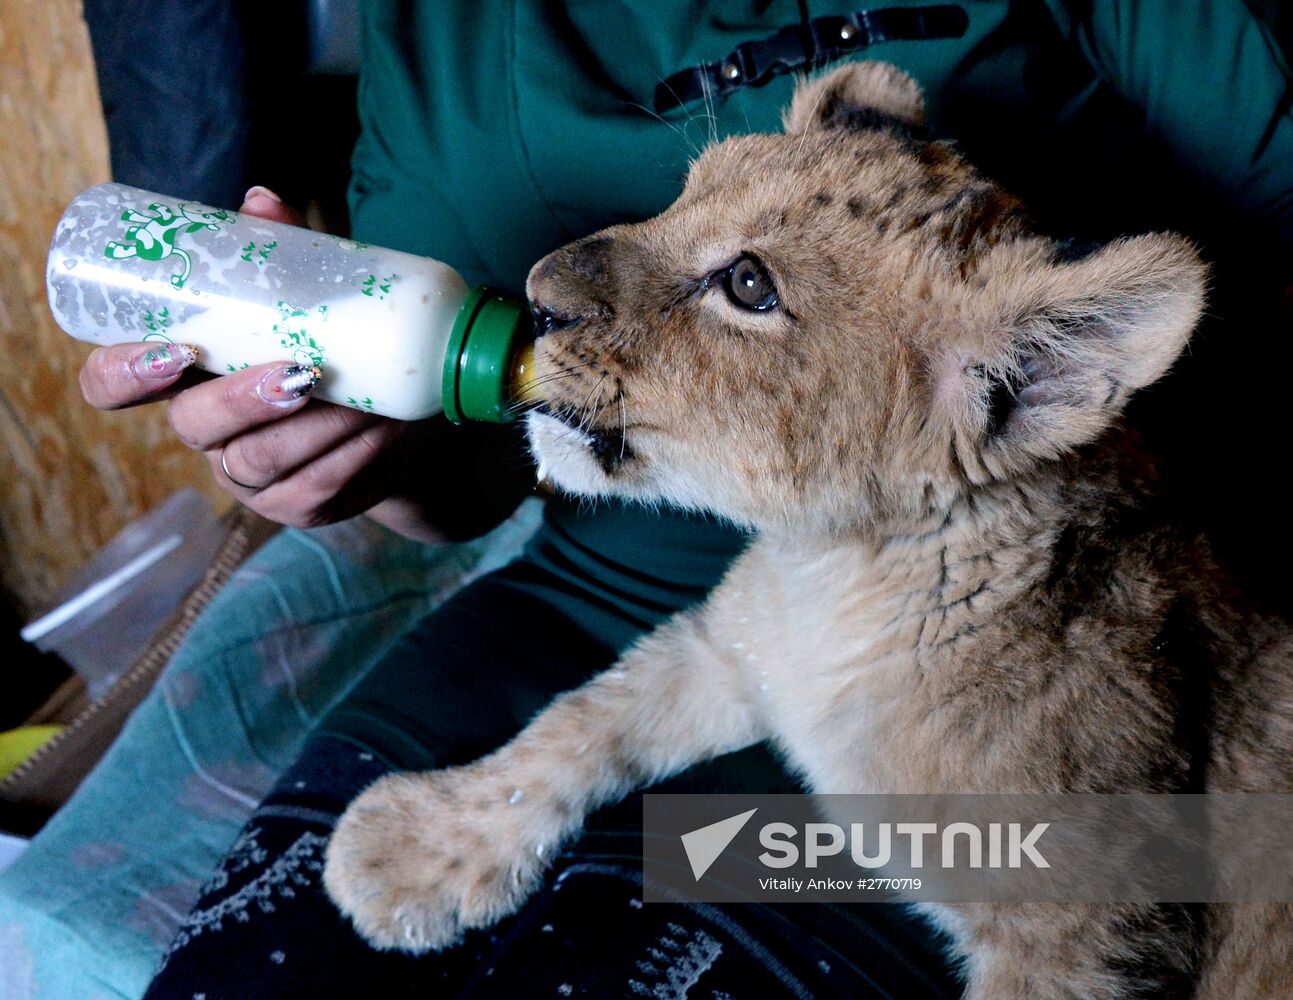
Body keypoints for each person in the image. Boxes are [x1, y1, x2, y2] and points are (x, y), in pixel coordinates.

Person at [76, 2, 1293, 996]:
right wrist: (345, 448)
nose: (552, 276)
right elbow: (475, 487)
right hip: (651, 580)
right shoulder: (434, 26)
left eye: (746, 285)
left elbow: (1129, 894)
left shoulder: (1037, 587)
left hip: (980, 684)